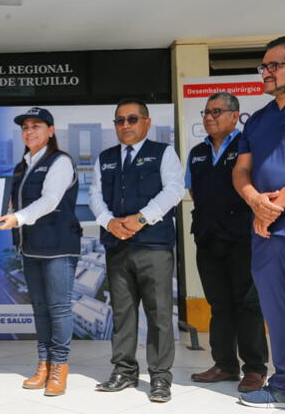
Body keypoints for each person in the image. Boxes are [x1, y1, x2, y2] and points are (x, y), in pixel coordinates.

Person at [89, 99, 184, 403]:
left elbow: (174, 190)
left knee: (158, 315)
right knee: (122, 313)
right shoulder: (105, 158)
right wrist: (109, 222)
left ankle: (159, 377)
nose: (125, 125)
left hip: (154, 247)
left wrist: (142, 217)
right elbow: (94, 196)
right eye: (119, 120)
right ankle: (124, 371)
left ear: (146, 122)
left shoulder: (163, 152)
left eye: (132, 119)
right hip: (117, 246)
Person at [186, 93, 268, 392]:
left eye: (216, 112)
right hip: (207, 238)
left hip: (242, 238)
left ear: (235, 116)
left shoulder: (248, 147)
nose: (209, 117)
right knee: (218, 304)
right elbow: (194, 192)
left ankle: (255, 369)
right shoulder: (197, 152)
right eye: (206, 112)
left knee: (247, 303)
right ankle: (224, 364)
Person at [0, 107, 81, 396]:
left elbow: (50, 200)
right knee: (41, 309)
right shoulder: (22, 166)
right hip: (31, 247)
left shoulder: (60, 161)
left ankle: (59, 366)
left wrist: (17, 218)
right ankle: (43, 363)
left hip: (58, 247)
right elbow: (14, 203)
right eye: (25, 127)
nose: (29, 131)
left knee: (58, 308)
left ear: (51, 131)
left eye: (36, 126)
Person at [233, 35, 285, 409]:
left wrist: (275, 205)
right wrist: (256, 201)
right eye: (264, 66)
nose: (266, 72)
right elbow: (242, 170)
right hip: (266, 232)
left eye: (275, 65)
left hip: (278, 221)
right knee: (278, 312)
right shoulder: (258, 118)